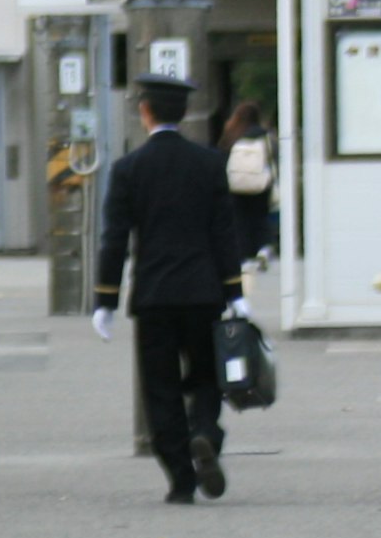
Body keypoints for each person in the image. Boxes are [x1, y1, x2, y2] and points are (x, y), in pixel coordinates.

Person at [94, 76, 253, 504]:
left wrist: (104, 300)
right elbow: (225, 231)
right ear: (183, 113)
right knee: (205, 376)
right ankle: (204, 432)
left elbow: (115, 238)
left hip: (154, 296)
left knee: (159, 387)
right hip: (204, 292)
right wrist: (235, 290)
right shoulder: (208, 163)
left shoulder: (128, 169)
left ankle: (181, 479)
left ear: (145, 111)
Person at [215, 97, 278, 269]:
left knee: (240, 220)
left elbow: (222, 158)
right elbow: (273, 158)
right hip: (260, 184)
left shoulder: (232, 135)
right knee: (260, 217)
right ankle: (264, 249)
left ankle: (243, 256)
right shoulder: (266, 137)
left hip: (236, 185)